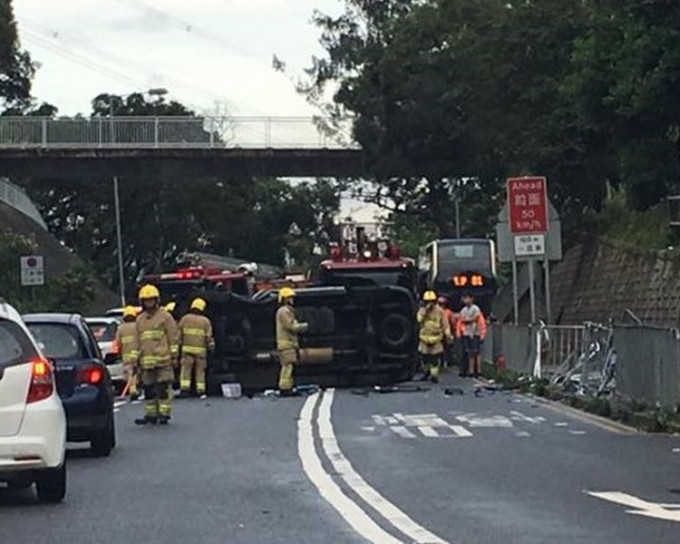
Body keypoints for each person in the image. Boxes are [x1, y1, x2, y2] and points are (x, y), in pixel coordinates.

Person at [134, 284, 179, 425]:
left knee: (162, 388)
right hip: (147, 362)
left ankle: (164, 414)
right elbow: (137, 340)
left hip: (163, 360)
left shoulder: (165, 317)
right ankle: (151, 414)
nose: (149, 303)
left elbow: (173, 336)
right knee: (148, 389)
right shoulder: (140, 319)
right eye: (146, 301)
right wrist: (135, 360)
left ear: (156, 300)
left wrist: (174, 356)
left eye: (151, 300)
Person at [177, 298, 215, 399]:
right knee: (200, 372)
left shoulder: (185, 319)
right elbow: (208, 337)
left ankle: (185, 389)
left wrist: (177, 347)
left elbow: (178, 335)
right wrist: (211, 348)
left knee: (185, 370)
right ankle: (200, 391)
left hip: (187, 351)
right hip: (200, 352)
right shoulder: (205, 321)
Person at [275, 287, 309, 396]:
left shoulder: (284, 311)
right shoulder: (285, 311)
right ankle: (285, 388)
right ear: (285, 299)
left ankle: (286, 387)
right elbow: (291, 326)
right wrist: (304, 326)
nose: (292, 299)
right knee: (287, 367)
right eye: (290, 297)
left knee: (288, 367)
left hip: (287, 343)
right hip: (287, 343)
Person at [417, 290, 452, 383]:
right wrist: (425, 311)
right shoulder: (422, 310)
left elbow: (445, 324)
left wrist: (448, 335)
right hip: (424, 338)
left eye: (431, 301)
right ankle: (426, 372)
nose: (430, 303)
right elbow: (418, 320)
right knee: (424, 357)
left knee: (434, 358)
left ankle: (434, 375)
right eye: (427, 301)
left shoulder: (440, 311)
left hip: (436, 338)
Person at [456, 293, 487, 378]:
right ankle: (471, 371)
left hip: (475, 333)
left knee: (476, 352)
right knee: (470, 353)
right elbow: (461, 321)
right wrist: (459, 333)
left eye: (468, 298)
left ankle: (479, 371)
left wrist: (482, 335)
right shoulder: (463, 310)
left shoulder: (476, 309)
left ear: (472, 299)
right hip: (466, 333)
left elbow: (475, 319)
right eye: (465, 298)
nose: (466, 300)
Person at [116, 305, 141, 401]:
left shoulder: (121, 328)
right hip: (138, 353)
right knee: (136, 373)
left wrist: (119, 352)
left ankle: (133, 389)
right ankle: (134, 390)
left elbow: (118, 343)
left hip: (126, 355)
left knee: (129, 373)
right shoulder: (137, 326)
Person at [437, 297, 455, 368]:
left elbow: (452, 322)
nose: (441, 305)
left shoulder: (448, 312)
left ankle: (449, 361)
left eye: (443, 304)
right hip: (438, 332)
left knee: (447, 347)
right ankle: (441, 362)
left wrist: (453, 330)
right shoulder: (436, 311)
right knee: (439, 348)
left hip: (446, 332)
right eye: (440, 304)